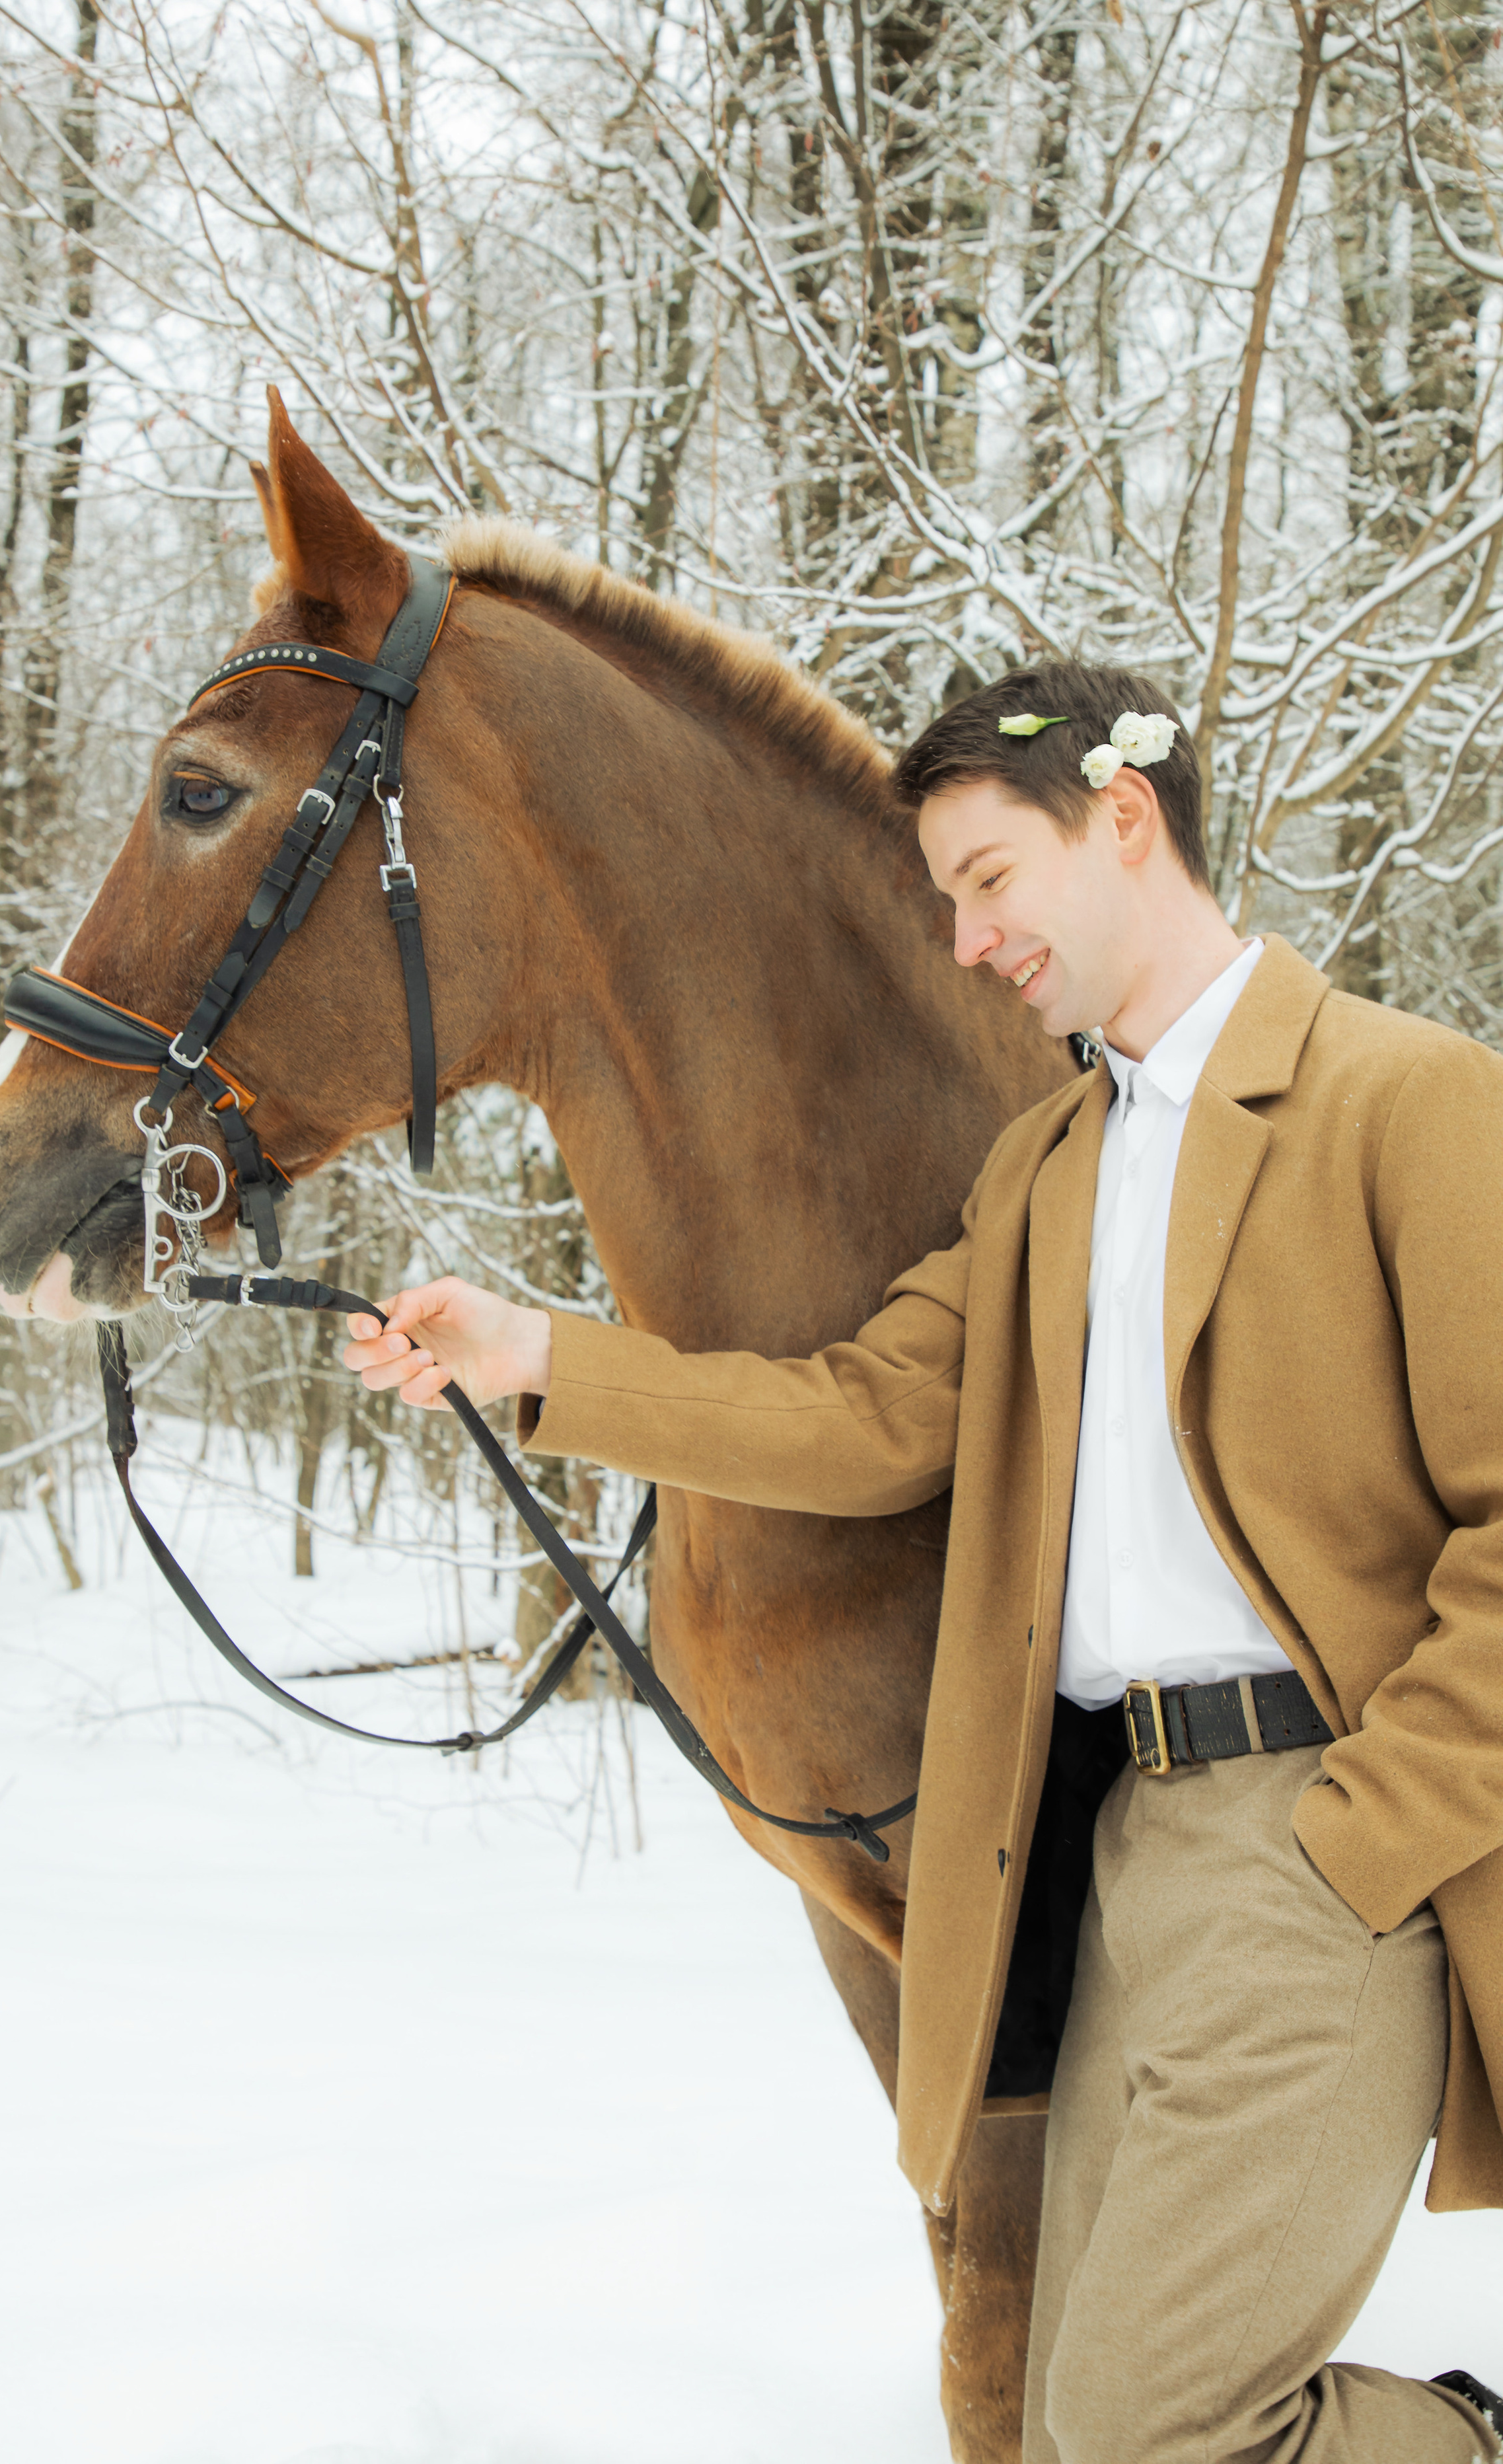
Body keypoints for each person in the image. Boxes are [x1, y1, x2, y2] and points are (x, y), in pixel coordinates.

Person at [343, 663, 1503, 2464]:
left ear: (1124, 824)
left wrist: (1372, 1839)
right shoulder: (1046, 1165)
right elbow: (869, 1413)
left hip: (1326, 1839)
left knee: (1151, 2435)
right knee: (1055, 2421)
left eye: (985, 882)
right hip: (1122, 1846)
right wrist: (542, 1356)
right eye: (945, 898)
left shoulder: (1409, 1108)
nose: (966, 941)